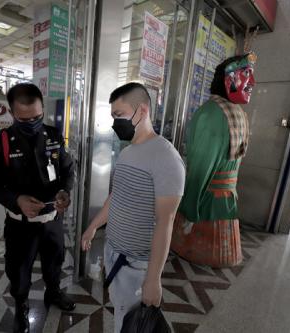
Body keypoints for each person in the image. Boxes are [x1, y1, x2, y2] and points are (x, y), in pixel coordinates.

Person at [81, 82, 186, 333]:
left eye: (120, 115)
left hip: (137, 265)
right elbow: (117, 196)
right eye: (114, 116)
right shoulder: (128, 152)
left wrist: (153, 279)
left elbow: (165, 222)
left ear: (142, 110)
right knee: (123, 316)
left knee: (132, 325)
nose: (116, 123)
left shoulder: (166, 158)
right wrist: (93, 227)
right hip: (115, 253)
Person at [0, 83, 76, 333]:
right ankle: (21, 306)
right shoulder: (1, 142)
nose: (32, 123)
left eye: (37, 117)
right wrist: (17, 201)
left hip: (52, 220)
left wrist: (64, 191)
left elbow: (68, 170)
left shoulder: (54, 136)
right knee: (19, 271)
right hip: (19, 225)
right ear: (12, 112)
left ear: (43, 109)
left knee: (55, 262)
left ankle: (53, 293)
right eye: (24, 119)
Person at [170, 53, 256, 268]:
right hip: (228, 196)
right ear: (229, 80)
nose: (252, 82)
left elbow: (201, 168)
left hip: (205, 200)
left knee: (195, 251)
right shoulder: (239, 114)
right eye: (246, 74)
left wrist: (190, 206)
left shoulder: (210, 113)